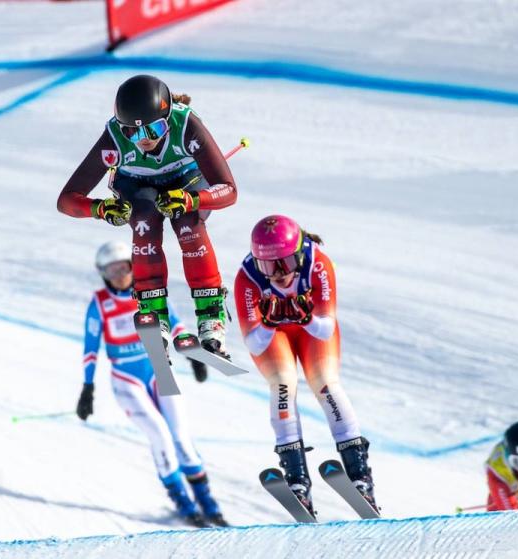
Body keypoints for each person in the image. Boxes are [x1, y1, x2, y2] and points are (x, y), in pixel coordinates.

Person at [57, 74, 238, 358]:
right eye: (134, 132)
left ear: (168, 117)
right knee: (144, 221)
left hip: (188, 180)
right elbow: (66, 200)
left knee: (188, 223)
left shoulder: (187, 126)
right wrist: (99, 208)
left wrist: (192, 199)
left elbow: (229, 190)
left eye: (155, 129)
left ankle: (210, 316)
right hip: (138, 186)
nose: (145, 140)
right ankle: (153, 311)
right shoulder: (114, 137)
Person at [233, 215, 377, 516]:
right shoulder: (247, 277)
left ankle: (360, 475)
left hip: (313, 330)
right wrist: (271, 323)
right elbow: (255, 343)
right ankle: (297, 479)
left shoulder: (317, 263)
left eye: (284, 264)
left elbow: (325, 328)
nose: (277, 275)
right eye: (268, 267)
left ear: (299, 254)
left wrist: (306, 317)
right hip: (274, 336)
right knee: (282, 383)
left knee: (325, 383)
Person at [75, 241, 225, 527]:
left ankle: (208, 503)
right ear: (103, 273)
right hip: (126, 380)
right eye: (111, 270)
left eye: (123, 267)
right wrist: (87, 387)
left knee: (181, 438)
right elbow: (90, 347)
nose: (118, 275)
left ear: (133, 266)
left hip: (160, 370)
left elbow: (176, 324)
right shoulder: (99, 304)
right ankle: (183, 501)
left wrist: (193, 355)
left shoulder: (149, 294)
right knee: (161, 435)